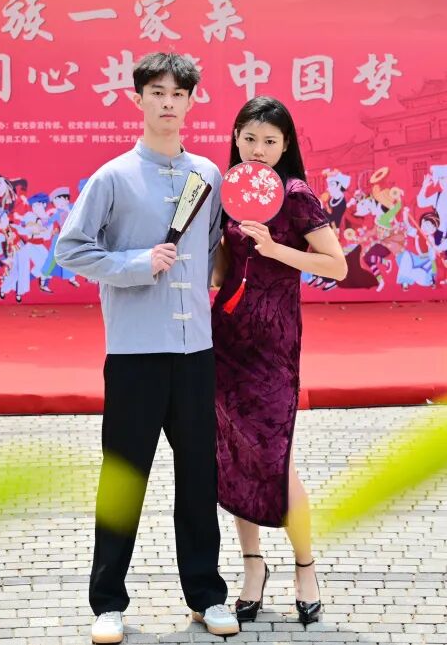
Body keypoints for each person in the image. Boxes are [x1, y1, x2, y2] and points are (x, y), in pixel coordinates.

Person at [55, 52, 239, 644]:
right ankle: (107, 602)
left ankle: (207, 595)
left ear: (191, 102)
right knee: (124, 476)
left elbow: (212, 250)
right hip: (135, 352)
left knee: (200, 477)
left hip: (195, 351)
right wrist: (138, 263)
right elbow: (70, 249)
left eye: (178, 93)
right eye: (156, 92)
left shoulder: (208, 175)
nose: (167, 102)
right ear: (137, 99)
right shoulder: (112, 177)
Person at [211, 96, 347, 626]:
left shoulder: (295, 195)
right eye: (249, 138)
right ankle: (253, 566)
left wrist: (275, 249)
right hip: (226, 341)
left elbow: (335, 265)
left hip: (273, 346)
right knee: (233, 457)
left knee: (276, 457)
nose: (258, 149)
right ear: (235, 138)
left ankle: (305, 567)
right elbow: (223, 270)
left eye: (270, 141)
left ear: (286, 144)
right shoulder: (228, 192)